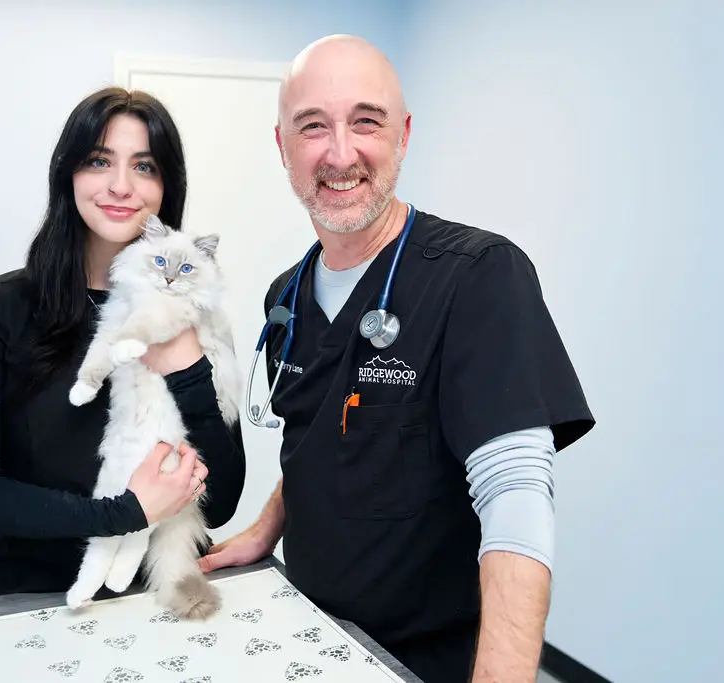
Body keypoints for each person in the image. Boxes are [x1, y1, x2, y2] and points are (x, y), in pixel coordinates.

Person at [198, 35, 595, 683]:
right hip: (305, 632)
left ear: (403, 135)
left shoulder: (478, 277)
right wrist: (266, 525)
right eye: (313, 126)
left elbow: (516, 496)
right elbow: (327, 436)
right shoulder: (285, 297)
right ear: (283, 147)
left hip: (423, 657)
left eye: (366, 121)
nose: (341, 152)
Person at [0, 87, 246, 599]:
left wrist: (187, 365)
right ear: (69, 174)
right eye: (100, 161)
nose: (121, 185)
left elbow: (223, 499)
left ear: (167, 187)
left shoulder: (199, 318)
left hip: (163, 592)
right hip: (38, 599)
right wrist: (124, 513)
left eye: (145, 167)